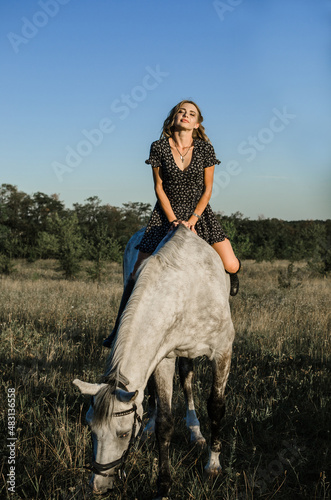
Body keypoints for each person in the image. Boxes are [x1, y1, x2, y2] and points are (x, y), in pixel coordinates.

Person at [103, 100, 241, 348]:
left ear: (197, 123)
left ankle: (224, 293)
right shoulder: (158, 147)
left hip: (199, 213)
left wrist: (193, 219)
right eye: (181, 112)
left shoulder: (205, 149)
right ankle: (118, 329)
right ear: (173, 119)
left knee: (231, 264)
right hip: (166, 214)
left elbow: (208, 189)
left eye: (191, 114)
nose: (185, 115)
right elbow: (158, 187)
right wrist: (172, 219)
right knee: (136, 272)